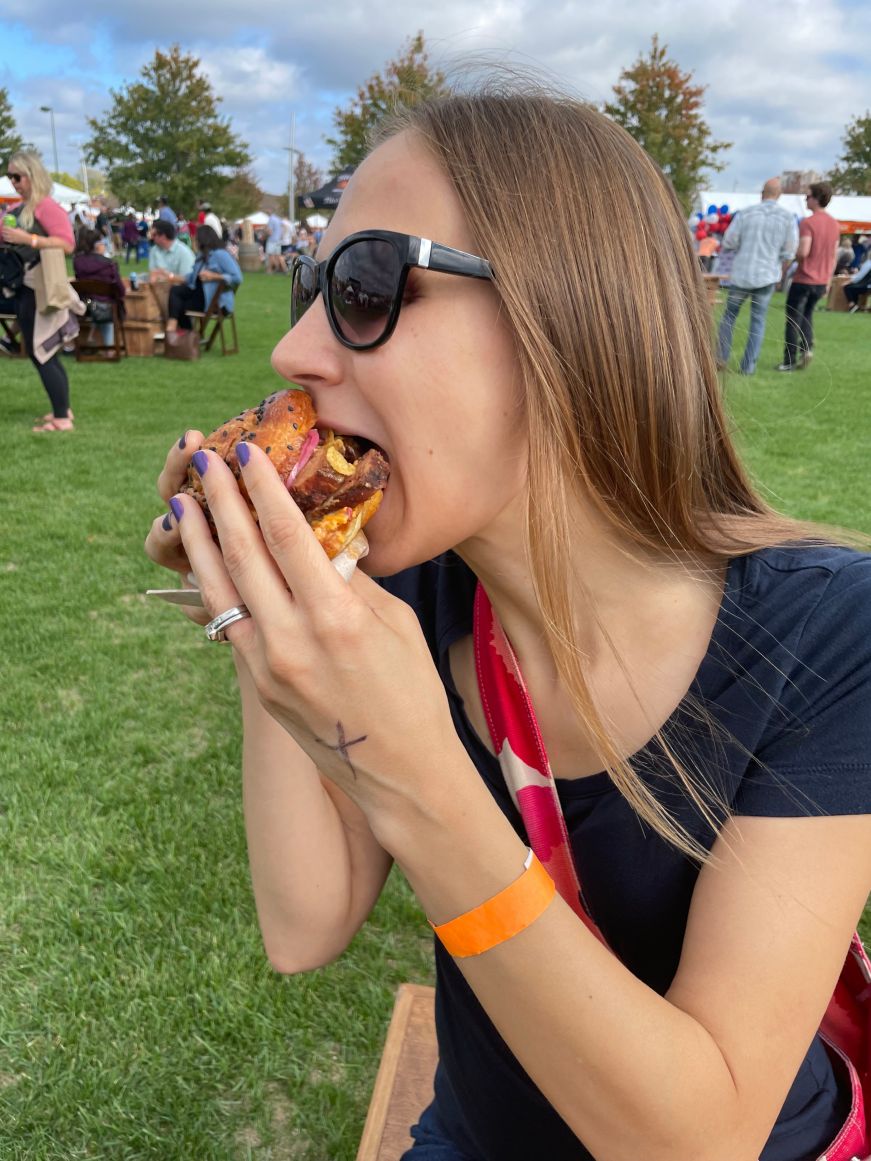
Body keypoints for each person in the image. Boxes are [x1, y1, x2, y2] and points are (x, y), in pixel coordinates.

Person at [145, 91, 871, 1161]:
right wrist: (269, 607)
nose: (292, 352)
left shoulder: (833, 633)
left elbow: (700, 1135)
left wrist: (418, 773)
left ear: (570, 316)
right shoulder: (409, 587)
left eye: (362, 288)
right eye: (314, 285)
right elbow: (304, 926)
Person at [1, 150, 77, 431]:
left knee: (41, 351)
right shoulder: (20, 208)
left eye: (17, 176)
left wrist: (29, 239)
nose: (13, 182)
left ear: (32, 175)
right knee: (42, 351)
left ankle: (61, 419)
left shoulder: (46, 207)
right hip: (25, 287)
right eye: (10, 177)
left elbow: (67, 244)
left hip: (39, 287)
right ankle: (62, 410)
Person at [716, 178, 798, 375]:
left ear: (762, 192)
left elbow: (729, 240)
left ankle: (720, 359)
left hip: (742, 272)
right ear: (779, 194)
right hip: (767, 275)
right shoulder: (787, 218)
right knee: (758, 320)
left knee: (729, 316)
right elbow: (789, 251)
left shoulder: (746, 213)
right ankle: (748, 366)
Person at [777, 182, 841, 372]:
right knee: (807, 315)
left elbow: (804, 251)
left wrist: (791, 260)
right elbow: (833, 256)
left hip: (804, 278)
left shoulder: (808, 223)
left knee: (793, 318)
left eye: (808, 196)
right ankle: (807, 348)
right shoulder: (834, 224)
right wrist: (828, 280)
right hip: (822, 280)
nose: (805, 199)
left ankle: (789, 360)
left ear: (816, 198)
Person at [164, 224, 241, 340]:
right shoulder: (202, 255)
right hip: (200, 296)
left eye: (196, 238)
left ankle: (184, 334)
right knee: (175, 292)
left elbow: (237, 277)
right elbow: (192, 278)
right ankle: (187, 334)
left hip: (216, 303)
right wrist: (171, 276)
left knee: (178, 304)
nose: (194, 240)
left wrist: (214, 276)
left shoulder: (221, 255)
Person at [72, 226, 126, 352]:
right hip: (105, 306)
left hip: (85, 304)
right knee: (109, 304)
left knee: (97, 302)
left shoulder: (77, 262)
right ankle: (109, 348)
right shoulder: (109, 264)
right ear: (97, 245)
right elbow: (120, 289)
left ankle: (92, 339)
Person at [148, 219, 196, 285]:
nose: (151, 238)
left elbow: (187, 279)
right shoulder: (154, 250)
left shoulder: (184, 252)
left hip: (179, 291)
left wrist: (169, 276)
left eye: (154, 235)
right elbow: (152, 274)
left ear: (163, 236)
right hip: (159, 289)